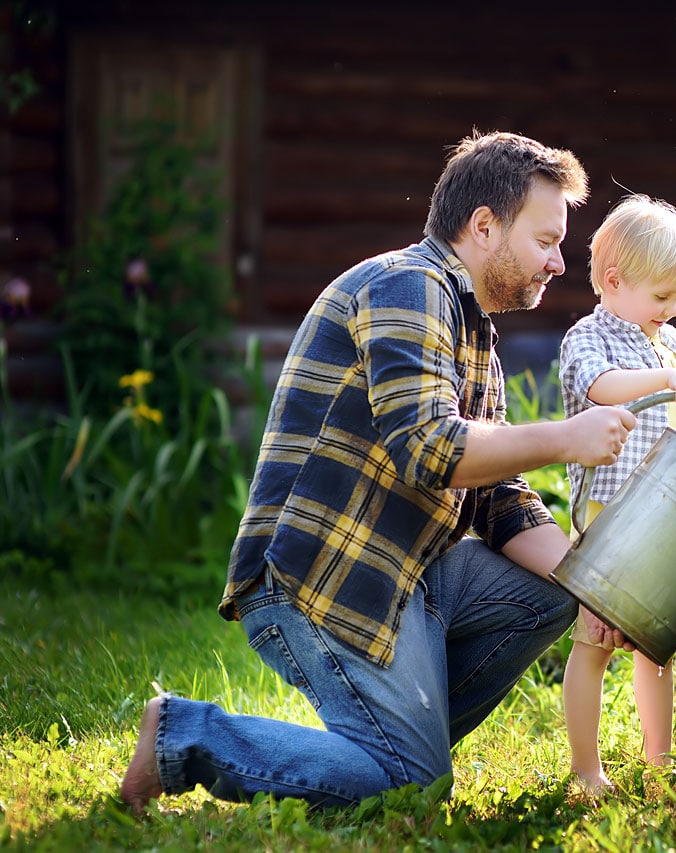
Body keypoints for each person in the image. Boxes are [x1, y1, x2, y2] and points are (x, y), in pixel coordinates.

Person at [120, 130, 639, 814]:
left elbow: (499, 502)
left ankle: (384, 743)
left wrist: (600, 588)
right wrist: (566, 439)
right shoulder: (406, 285)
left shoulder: (474, 333)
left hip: (408, 574)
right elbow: (430, 448)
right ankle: (185, 734)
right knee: (413, 787)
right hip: (324, 575)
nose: (558, 261)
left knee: (553, 591)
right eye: (546, 240)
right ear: (485, 226)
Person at [557, 194, 676, 794]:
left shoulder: (668, 344)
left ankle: (659, 761)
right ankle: (586, 770)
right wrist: (670, 380)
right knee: (594, 645)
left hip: (667, 520)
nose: (671, 310)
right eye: (661, 297)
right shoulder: (587, 339)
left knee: (657, 647)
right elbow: (601, 389)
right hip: (610, 520)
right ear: (615, 281)